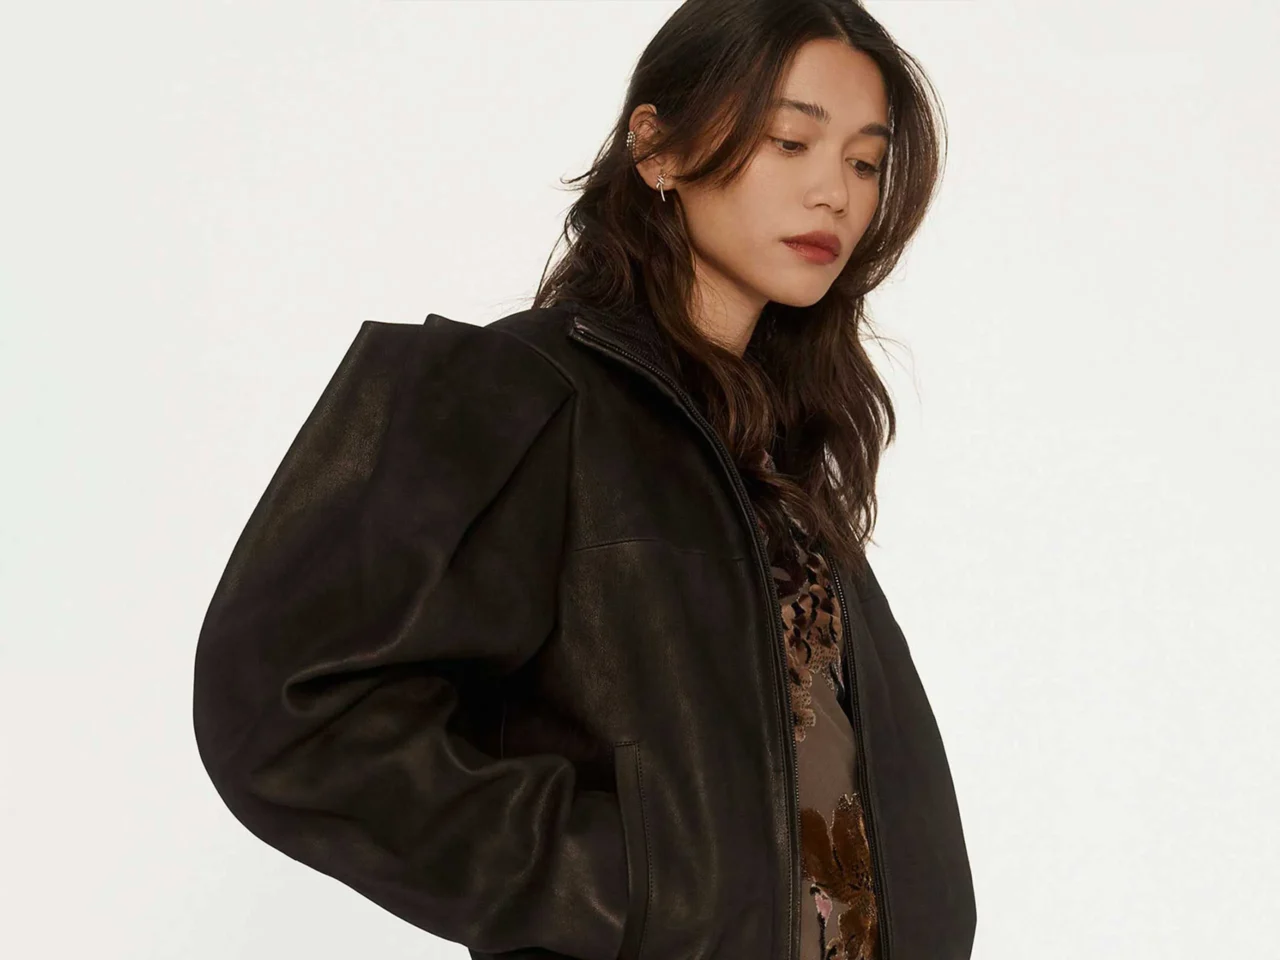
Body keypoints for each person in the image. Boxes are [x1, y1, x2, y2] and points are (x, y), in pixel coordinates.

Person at [191, 2, 976, 959]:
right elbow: (291, 707)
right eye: (789, 142)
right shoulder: (526, 393)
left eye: (863, 162)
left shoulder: (772, 451)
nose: (834, 195)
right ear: (658, 148)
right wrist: (629, 889)